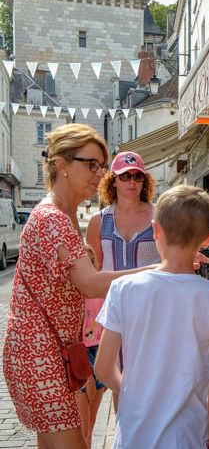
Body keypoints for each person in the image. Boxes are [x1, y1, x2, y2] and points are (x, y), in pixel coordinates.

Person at [2, 124, 157, 449]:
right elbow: (89, 283)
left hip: (51, 351)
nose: (100, 173)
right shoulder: (53, 219)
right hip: (40, 353)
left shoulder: (66, 214)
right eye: (91, 164)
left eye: (102, 165)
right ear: (62, 164)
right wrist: (162, 270)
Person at [95, 185, 209, 449]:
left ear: (155, 229)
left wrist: (133, 395)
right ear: (208, 238)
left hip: (133, 435)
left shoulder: (124, 289)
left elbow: (103, 368)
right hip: (187, 437)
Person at [85, 151, 161, 416]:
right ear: (113, 182)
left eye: (137, 176)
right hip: (113, 313)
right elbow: (94, 270)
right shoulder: (98, 221)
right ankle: (125, 436)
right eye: (125, 176)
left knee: (150, 380)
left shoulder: (158, 217)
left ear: (144, 181)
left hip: (151, 312)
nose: (132, 181)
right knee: (118, 380)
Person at [77, 245, 106, 449]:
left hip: (99, 352)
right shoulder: (73, 296)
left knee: (93, 422)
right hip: (81, 355)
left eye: (92, 263)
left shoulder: (102, 293)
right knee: (82, 428)